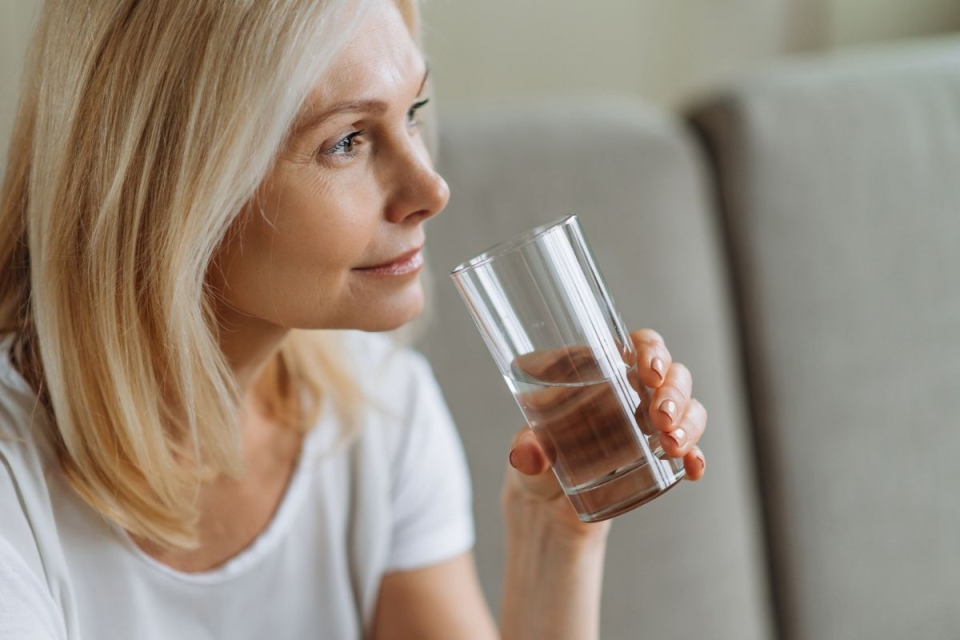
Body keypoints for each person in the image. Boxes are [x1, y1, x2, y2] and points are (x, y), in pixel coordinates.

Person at [0, 0, 708, 638]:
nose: (431, 187)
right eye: (346, 141)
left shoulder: (379, 414)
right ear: (174, 183)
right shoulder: (16, 489)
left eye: (413, 111)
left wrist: (554, 534)